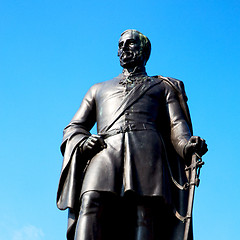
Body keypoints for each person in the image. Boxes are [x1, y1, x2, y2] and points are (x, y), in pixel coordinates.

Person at [57, 29, 208, 240]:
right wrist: (83, 142)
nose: (123, 48)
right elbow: (74, 127)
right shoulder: (98, 89)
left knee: (143, 213)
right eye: (120, 45)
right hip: (105, 151)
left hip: (147, 152)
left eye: (130, 43)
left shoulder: (163, 87)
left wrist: (186, 145)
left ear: (144, 50)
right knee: (90, 201)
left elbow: (177, 126)